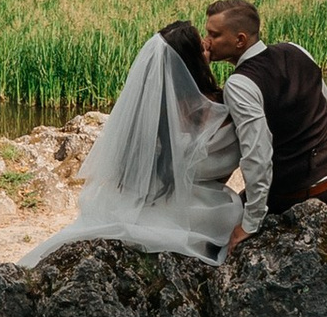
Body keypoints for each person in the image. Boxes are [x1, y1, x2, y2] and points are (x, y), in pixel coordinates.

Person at [26, 20, 243, 262]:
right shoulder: (227, 107)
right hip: (207, 210)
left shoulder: (153, 115)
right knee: (230, 214)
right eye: (203, 48)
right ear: (193, 61)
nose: (209, 48)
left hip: (161, 202)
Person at [203, 0, 327, 235]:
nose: (207, 42)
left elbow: (257, 156)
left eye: (214, 35)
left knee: (213, 224)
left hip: (299, 193)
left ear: (240, 40)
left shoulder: (240, 84)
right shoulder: (296, 50)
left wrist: (249, 225)